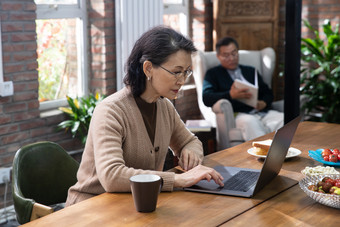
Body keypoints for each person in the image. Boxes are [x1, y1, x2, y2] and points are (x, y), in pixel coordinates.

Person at [66, 26, 224, 206]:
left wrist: (191, 153)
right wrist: (179, 180)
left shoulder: (164, 106)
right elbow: (112, 176)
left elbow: (190, 141)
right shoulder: (110, 111)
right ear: (148, 68)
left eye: (186, 71)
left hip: (136, 204)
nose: (182, 80)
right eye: (176, 71)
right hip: (91, 208)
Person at [202, 37, 283, 141]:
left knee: (284, 119)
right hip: (240, 115)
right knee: (250, 122)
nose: (231, 58)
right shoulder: (213, 74)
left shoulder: (250, 71)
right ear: (218, 56)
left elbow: (268, 92)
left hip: (262, 112)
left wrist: (264, 102)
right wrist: (230, 95)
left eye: (234, 53)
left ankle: (288, 154)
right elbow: (206, 97)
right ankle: (264, 155)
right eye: (226, 55)